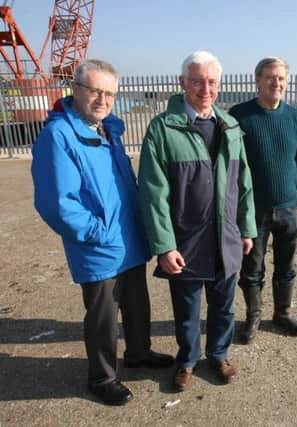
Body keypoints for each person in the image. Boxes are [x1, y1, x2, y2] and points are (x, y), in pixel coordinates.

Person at [31, 59, 174, 407]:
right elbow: (57, 204)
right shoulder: (59, 136)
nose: (103, 99)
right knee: (103, 316)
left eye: (109, 93)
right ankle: (103, 377)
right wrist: (98, 232)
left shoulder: (108, 130)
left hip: (128, 238)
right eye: (95, 91)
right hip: (99, 243)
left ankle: (139, 353)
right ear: (76, 89)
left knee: (137, 302)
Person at [138, 51, 256, 392]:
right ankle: (187, 360)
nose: (205, 89)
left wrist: (246, 228)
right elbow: (152, 193)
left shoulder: (231, 126)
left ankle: (218, 355)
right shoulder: (163, 129)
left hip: (227, 238)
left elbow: (243, 183)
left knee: (224, 307)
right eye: (197, 81)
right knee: (187, 311)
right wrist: (164, 245)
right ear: (182, 83)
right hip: (186, 241)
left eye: (211, 82)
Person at [229, 57, 297, 344]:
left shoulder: (294, 118)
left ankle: (282, 313)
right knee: (251, 267)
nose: (275, 83)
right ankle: (253, 316)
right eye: (269, 77)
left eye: (280, 78)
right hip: (253, 210)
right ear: (257, 80)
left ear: (286, 82)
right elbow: (229, 164)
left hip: (288, 208)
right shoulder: (240, 116)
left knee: (287, 265)